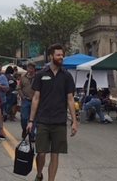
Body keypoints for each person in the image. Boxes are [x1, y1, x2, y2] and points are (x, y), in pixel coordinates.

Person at [26, 43, 78, 181]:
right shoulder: (41, 74)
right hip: (43, 120)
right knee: (41, 153)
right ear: (51, 56)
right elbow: (36, 98)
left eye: (62, 55)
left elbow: (70, 99)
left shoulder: (67, 76)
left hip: (60, 121)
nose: (61, 57)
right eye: (58, 55)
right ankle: (39, 174)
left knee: (55, 154)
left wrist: (74, 121)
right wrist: (31, 121)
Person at [17, 62, 36, 138]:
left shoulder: (37, 77)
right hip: (26, 101)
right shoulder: (23, 77)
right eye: (29, 68)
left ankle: (32, 135)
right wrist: (22, 96)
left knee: (33, 119)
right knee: (24, 118)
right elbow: (18, 88)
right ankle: (24, 130)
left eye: (32, 68)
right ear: (27, 68)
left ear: (34, 69)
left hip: (35, 101)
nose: (30, 70)